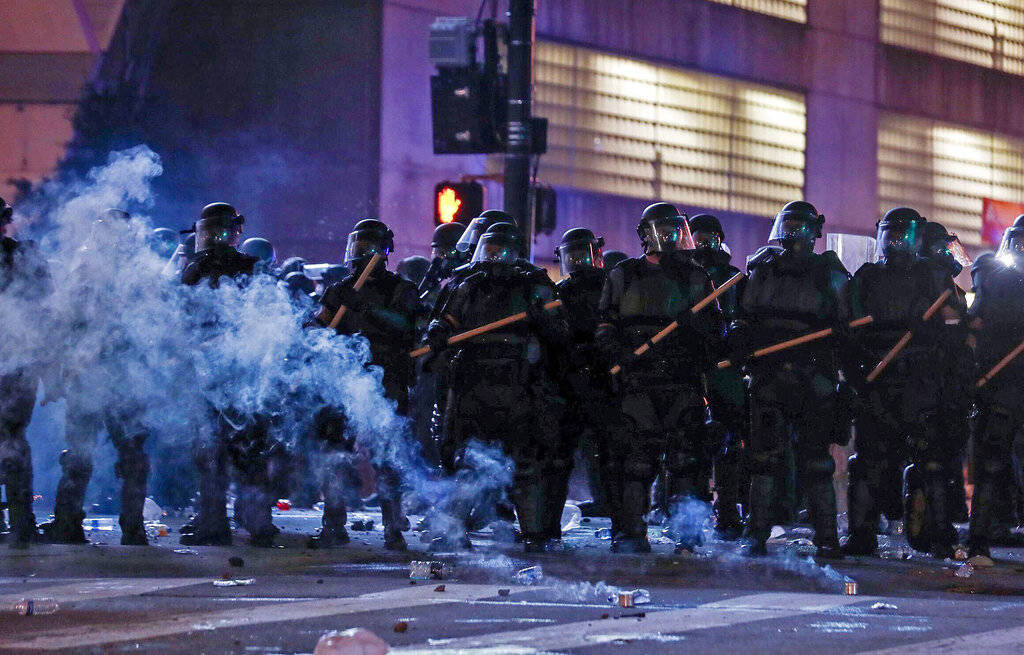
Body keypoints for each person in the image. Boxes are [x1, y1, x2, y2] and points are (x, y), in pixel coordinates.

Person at [426, 222, 569, 551]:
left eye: (500, 251)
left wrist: (542, 319)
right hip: (471, 382)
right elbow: (445, 320)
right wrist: (437, 333)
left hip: (518, 382)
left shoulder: (535, 284)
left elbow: (561, 336)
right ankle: (453, 532)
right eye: (488, 250)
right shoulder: (467, 284)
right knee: (466, 461)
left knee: (525, 463)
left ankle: (534, 535)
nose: (494, 258)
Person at [596, 202, 724, 554]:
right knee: (637, 461)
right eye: (663, 232)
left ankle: (688, 535)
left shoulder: (697, 277)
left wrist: (694, 328)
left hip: (682, 381)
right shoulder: (623, 275)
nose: (670, 239)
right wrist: (618, 351)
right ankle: (631, 533)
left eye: (674, 232)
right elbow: (605, 325)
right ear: (646, 236)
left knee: (687, 463)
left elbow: (716, 334)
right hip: (639, 381)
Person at [729, 201, 850, 558]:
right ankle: (756, 534)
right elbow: (745, 316)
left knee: (816, 461)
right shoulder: (762, 268)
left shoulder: (829, 270)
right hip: (769, 375)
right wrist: (739, 337)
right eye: (791, 227)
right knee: (763, 458)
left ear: (814, 232)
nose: (795, 235)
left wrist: (839, 333)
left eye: (802, 228)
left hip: (812, 375)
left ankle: (827, 537)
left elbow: (846, 317)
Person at [842, 208, 961, 559]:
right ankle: (862, 534)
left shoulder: (934, 276)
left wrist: (937, 328)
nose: (894, 243)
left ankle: (938, 533)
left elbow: (957, 323)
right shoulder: (866, 277)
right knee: (867, 461)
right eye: (888, 235)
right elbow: (847, 327)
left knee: (931, 459)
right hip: (878, 375)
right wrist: (858, 371)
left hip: (920, 378)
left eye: (901, 235)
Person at [41, 209, 156, 546]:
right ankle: (129, 529)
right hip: (109, 378)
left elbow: (61, 326)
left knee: (85, 454)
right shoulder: (129, 274)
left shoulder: (88, 273)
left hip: (102, 377)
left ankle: (70, 524)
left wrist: (57, 375)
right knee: (113, 456)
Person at [310, 219, 418, 551]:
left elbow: (406, 327)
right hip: (344, 378)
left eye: (368, 249)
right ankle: (333, 524)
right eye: (357, 249)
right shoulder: (340, 289)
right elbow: (325, 325)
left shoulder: (401, 288)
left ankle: (392, 527)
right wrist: (313, 328)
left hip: (385, 379)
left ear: (384, 252)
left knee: (387, 455)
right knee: (335, 452)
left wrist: (368, 309)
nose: (361, 256)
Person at [179, 202, 261, 546]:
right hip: (211, 369)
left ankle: (251, 520)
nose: (213, 237)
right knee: (215, 447)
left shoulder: (247, 268)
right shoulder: (196, 269)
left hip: (235, 368)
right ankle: (220, 521)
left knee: (237, 446)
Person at [966, 215, 1024, 566]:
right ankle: (978, 543)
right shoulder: (993, 274)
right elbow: (975, 320)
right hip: (1000, 383)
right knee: (991, 463)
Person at [0, 197, 56, 548]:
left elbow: (44, 311)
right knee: (14, 438)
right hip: (21, 361)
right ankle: (21, 523)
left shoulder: (24, 256)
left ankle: (21, 521)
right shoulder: (26, 256)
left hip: (18, 360)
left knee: (14, 438)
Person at [688, 213, 747, 539]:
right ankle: (691, 515)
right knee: (690, 441)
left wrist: (736, 335)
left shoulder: (733, 278)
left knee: (729, 443)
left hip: (725, 371)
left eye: (709, 238)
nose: (704, 245)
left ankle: (727, 513)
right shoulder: (684, 276)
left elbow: (743, 316)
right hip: (692, 368)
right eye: (698, 238)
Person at [553, 228, 610, 518]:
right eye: (570, 256)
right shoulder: (561, 291)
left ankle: (611, 502)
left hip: (606, 371)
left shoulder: (610, 284)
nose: (576, 262)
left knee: (605, 441)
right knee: (574, 442)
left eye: (581, 255)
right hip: (573, 372)